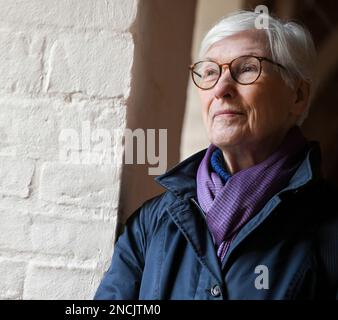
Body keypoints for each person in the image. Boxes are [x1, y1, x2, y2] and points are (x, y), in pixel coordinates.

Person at [94, 10, 338, 299]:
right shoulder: (152, 222)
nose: (221, 88)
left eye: (247, 68)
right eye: (210, 72)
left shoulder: (328, 228)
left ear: (297, 96)